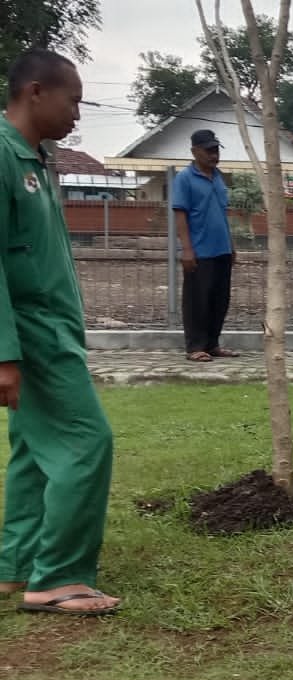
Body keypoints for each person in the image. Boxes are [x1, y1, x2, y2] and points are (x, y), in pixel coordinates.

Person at [0, 49, 120, 616]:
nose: (77, 113)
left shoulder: (32, 160)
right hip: (31, 333)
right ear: (35, 93)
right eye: (73, 99)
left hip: (50, 329)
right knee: (86, 441)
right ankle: (59, 577)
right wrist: (4, 353)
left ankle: (16, 565)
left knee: (32, 450)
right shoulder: (2, 158)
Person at [173, 129, 237, 363]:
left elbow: (222, 213)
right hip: (199, 251)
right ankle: (195, 347)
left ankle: (212, 343)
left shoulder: (218, 177)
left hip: (222, 249)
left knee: (220, 299)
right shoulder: (185, 178)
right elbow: (180, 214)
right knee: (196, 300)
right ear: (194, 151)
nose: (214, 155)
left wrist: (231, 244)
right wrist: (187, 249)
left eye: (216, 150)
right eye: (209, 150)